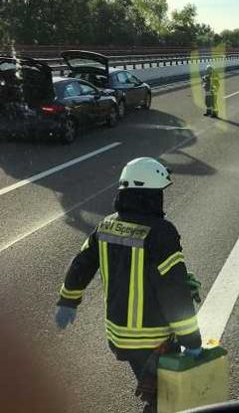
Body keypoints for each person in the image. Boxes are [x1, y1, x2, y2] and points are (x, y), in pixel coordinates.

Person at [54, 157, 202, 412]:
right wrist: (192, 339)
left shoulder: (107, 224)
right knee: (169, 400)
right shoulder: (161, 232)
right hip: (153, 338)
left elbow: (82, 264)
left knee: (160, 394)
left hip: (118, 335)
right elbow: (174, 291)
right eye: (158, 193)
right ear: (150, 196)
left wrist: (68, 300)